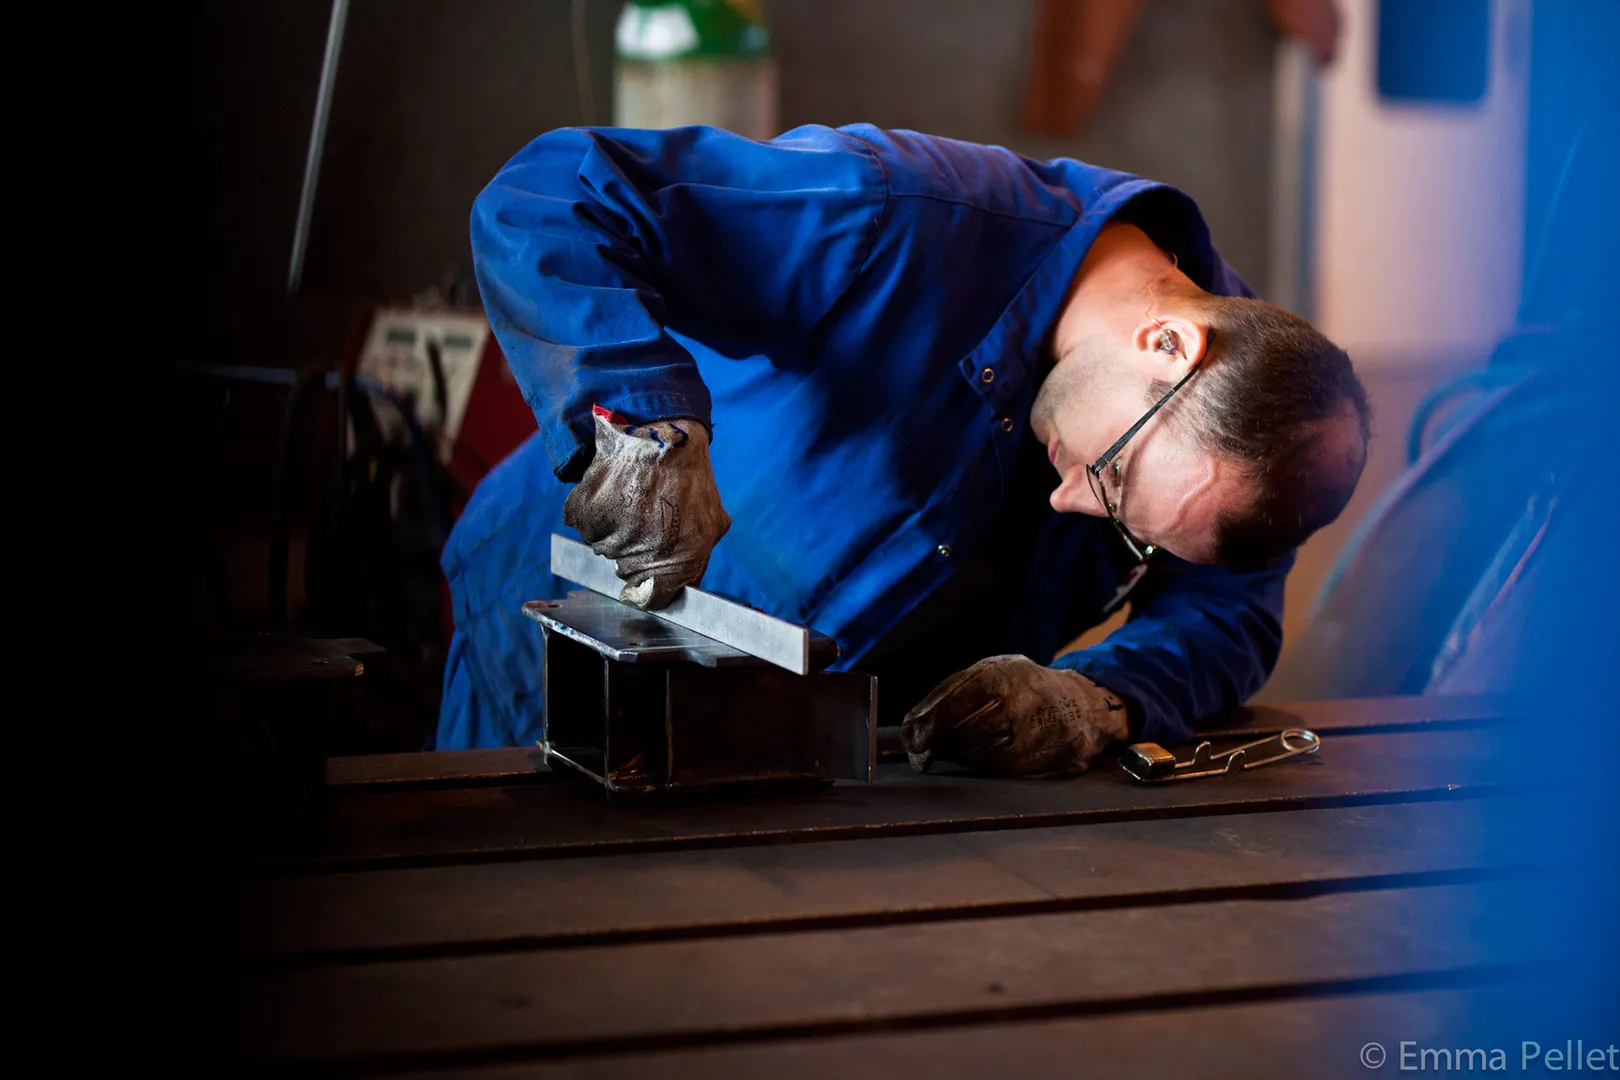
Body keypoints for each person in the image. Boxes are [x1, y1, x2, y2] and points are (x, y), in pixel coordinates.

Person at [436, 122, 1369, 777]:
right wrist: (640, 422)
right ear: (1166, 347)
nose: (1072, 503)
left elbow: (1229, 611)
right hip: (550, 646)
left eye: (1129, 528)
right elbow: (556, 193)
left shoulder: (1256, 437)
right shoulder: (894, 214)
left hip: (800, 756)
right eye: (1112, 473)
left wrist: (1099, 697)